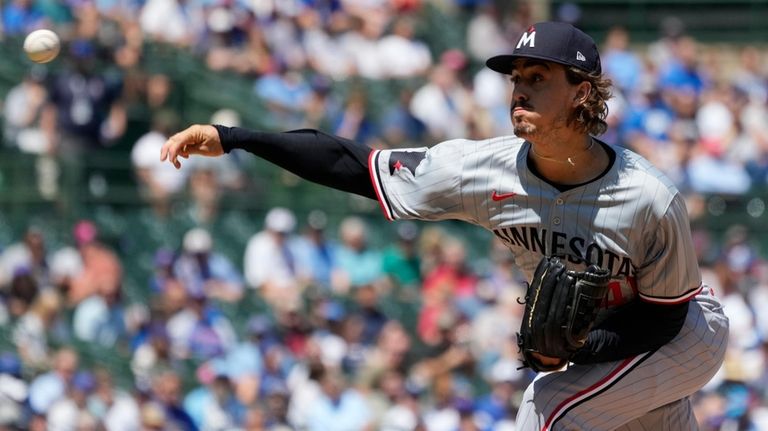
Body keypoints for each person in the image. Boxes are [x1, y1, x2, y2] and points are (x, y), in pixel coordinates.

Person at [161, 21, 729, 430]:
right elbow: (352, 164)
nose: (520, 88)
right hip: (616, 343)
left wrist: (580, 346)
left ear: (582, 92)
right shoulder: (478, 170)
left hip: (680, 333)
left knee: (547, 407)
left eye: (538, 76)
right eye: (516, 77)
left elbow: (661, 317)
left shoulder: (647, 196)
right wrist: (235, 138)